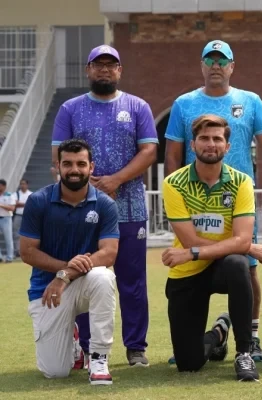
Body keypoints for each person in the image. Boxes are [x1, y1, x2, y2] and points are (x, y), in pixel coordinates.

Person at [164, 40, 262, 362]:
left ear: (232, 66)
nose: (216, 65)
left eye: (222, 60)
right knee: (194, 261)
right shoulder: (183, 103)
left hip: (237, 199)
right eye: (210, 59)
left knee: (246, 269)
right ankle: (203, 335)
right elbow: (173, 155)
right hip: (196, 200)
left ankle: (251, 338)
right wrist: (174, 194)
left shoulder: (250, 100)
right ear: (201, 65)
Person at [51, 45, 157, 368]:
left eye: (111, 65)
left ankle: (136, 347)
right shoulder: (70, 109)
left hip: (130, 208)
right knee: (85, 275)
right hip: (84, 210)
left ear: (120, 71)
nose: (105, 70)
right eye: (99, 65)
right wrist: (87, 185)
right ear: (88, 70)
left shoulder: (137, 107)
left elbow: (150, 151)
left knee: (132, 280)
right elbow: (58, 156)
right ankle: (85, 346)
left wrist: (115, 181)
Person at [162, 114, 262, 381]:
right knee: (188, 364)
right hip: (187, 272)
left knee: (238, 264)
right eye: (203, 138)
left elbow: (240, 240)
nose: (210, 144)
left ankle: (244, 354)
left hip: (220, 268)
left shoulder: (242, 182)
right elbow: (191, 241)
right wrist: (246, 246)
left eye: (217, 139)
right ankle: (218, 333)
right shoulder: (173, 183)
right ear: (193, 145)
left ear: (227, 147)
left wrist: (242, 247)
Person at [19, 139, 119, 385]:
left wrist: (65, 275)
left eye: (81, 164)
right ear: (58, 166)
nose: (74, 169)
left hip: (84, 283)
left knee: (104, 276)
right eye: (68, 164)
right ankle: (73, 343)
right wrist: (63, 271)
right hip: (47, 291)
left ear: (91, 167)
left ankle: (98, 358)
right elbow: (27, 252)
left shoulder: (105, 204)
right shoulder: (38, 201)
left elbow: (108, 254)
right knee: (55, 372)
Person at [13, 179, 32, 258]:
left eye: (24, 184)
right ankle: (17, 251)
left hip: (28, 216)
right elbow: (15, 204)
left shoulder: (31, 194)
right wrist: (26, 203)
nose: (22, 185)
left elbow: (32, 204)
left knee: (29, 234)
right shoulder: (16, 194)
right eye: (21, 184)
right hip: (18, 215)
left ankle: (29, 251)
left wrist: (20, 204)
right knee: (16, 234)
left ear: (27, 185)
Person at [0, 179, 16, 262]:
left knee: (8, 239)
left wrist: (1, 205)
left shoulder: (9, 195)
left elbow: (12, 208)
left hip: (6, 218)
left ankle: (10, 257)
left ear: (4, 186)